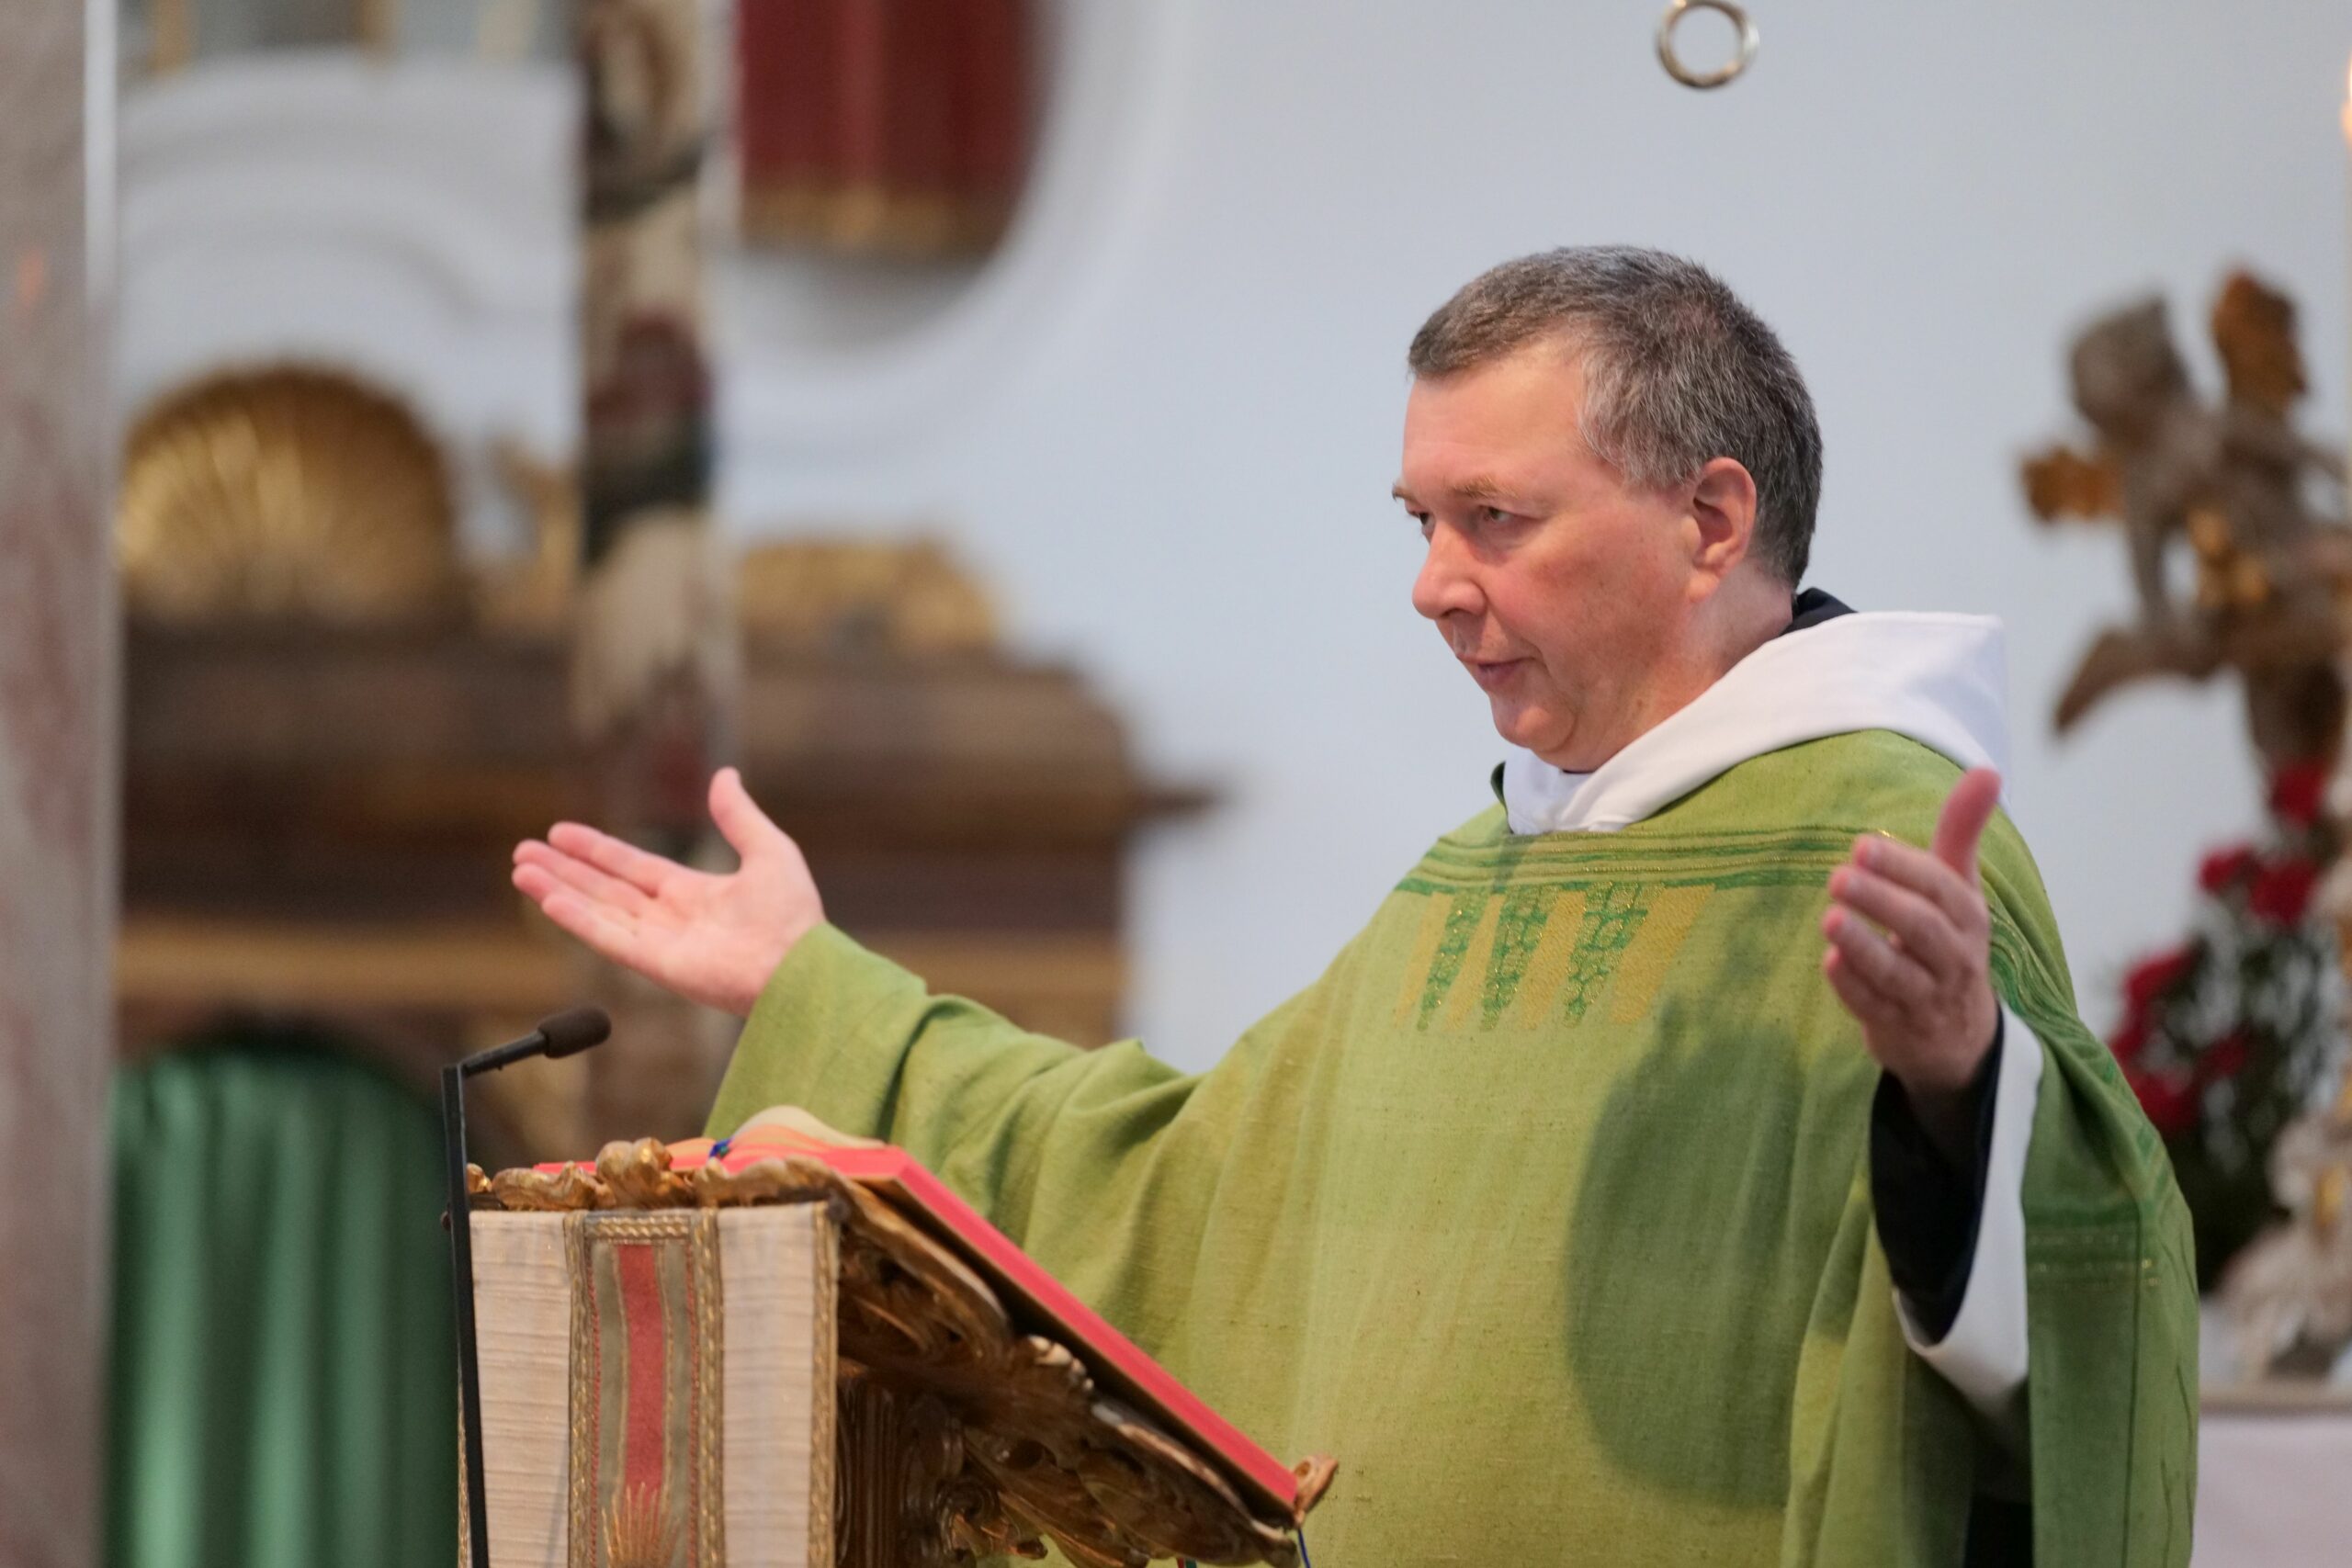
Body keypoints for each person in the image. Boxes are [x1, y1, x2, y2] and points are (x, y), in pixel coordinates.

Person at [513, 247, 2195, 1565]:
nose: (1433, 584)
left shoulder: (1886, 844)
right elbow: (1170, 1179)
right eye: (1422, 521)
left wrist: (1963, 1085)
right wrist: (819, 988)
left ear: (1709, 519)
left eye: (1495, 521)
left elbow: (2091, 1302)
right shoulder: (1483, 876)